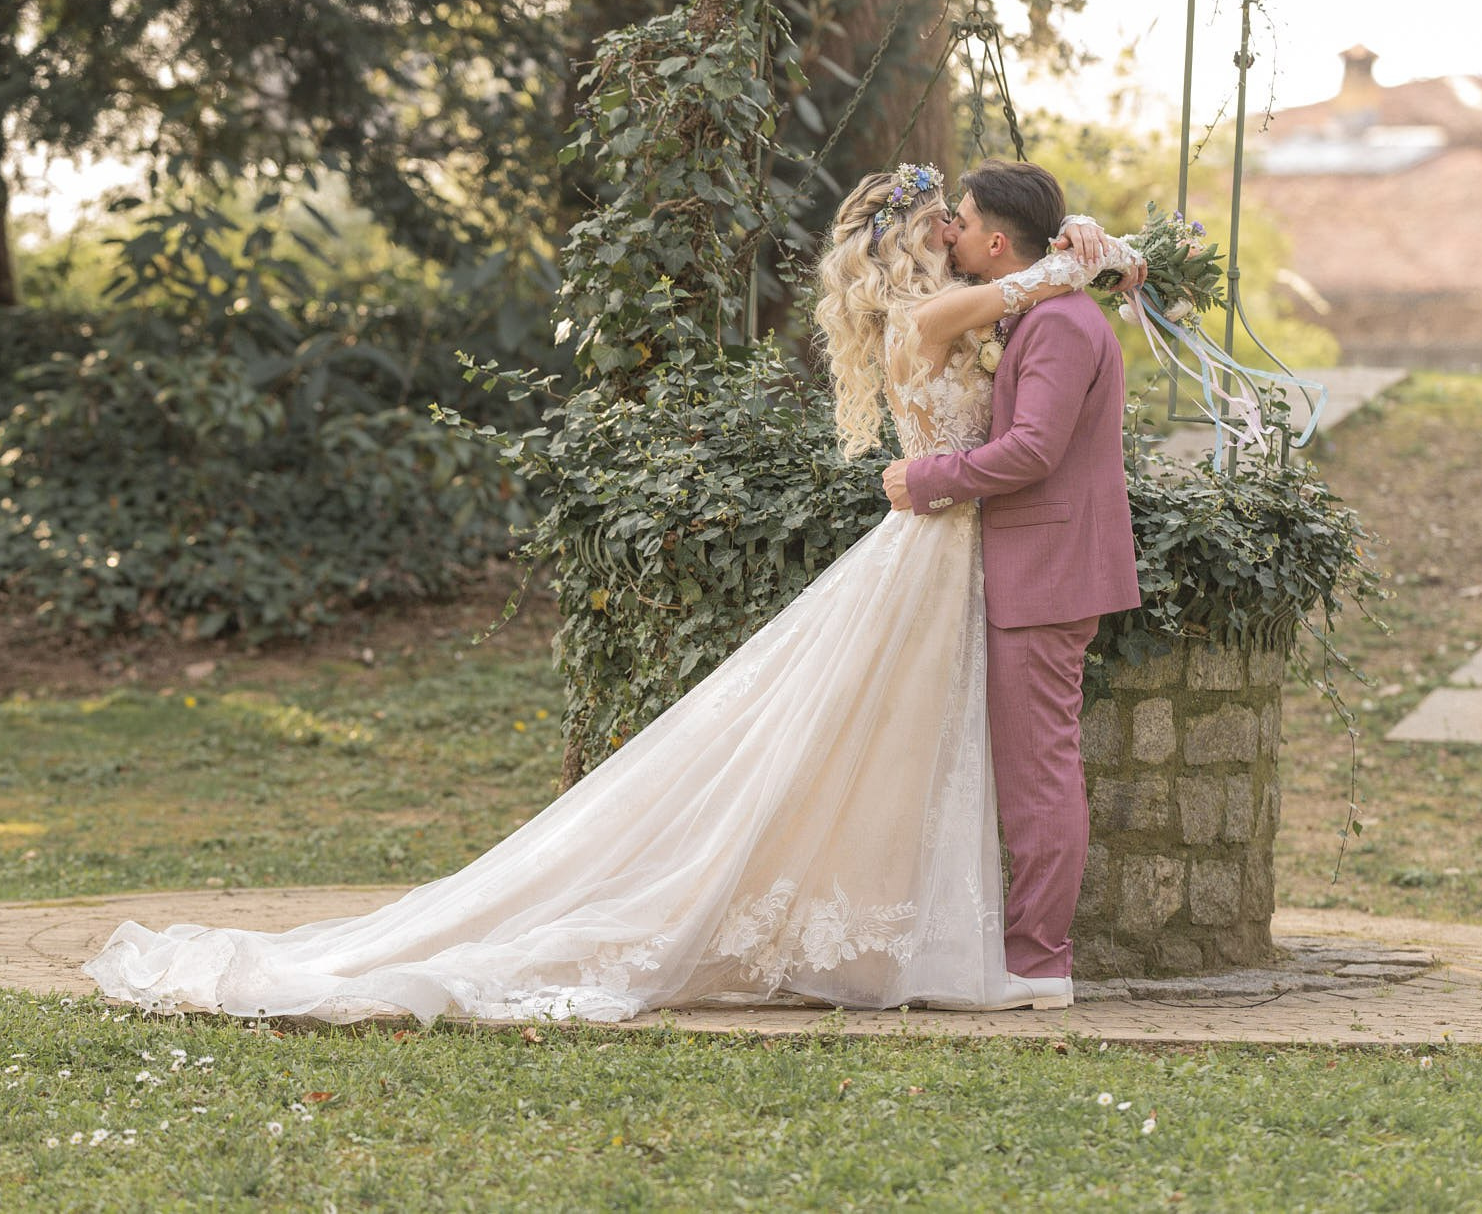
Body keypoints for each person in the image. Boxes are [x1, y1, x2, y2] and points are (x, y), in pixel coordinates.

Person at [83, 162, 1143, 1023]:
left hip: (963, 554)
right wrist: (1080, 255)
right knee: (875, 745)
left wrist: (1088, 246)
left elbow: (1030, 357)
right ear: (924, 242)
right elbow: (1019, 306)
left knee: (910, 752)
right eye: (942, 220)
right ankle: (971, 948)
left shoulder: (993, 313)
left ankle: (956, 940)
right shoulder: (941, 318)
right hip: (939, 547)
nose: (954, 228)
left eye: (963, 219)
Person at [883, 159, 1145, 1009]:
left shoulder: (1063, 325)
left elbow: (1033, 449)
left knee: (1039, 772)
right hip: (1032, 565)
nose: (951, 230)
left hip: (1047, 573)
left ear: (999, 243)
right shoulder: (1042, 309)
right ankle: (1017, 950)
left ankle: (1038, 961)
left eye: (961, 219)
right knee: (1031, 767)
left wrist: (926, 478)